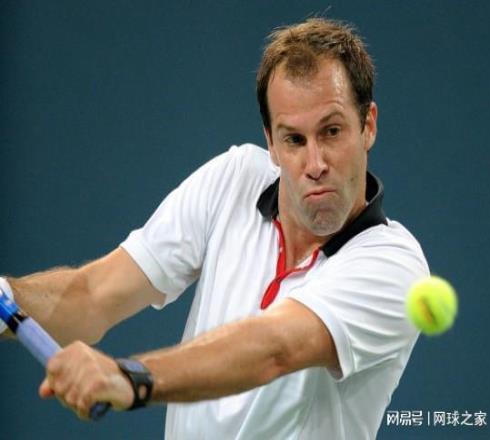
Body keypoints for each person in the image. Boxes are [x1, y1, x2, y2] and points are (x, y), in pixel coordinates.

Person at [1, 18, 429, 439]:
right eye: (294, 140)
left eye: (331, 131)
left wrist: (131, 378)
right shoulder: (234, 178)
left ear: (368, 125)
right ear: (271, 142)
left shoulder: (395, 265)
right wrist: (8, 297)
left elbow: (275, 348)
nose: (315, 164)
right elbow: (93, 296)